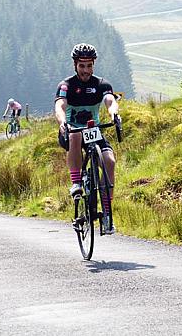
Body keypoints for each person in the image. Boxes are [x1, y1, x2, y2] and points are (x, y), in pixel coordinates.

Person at [54, 43, 121, 234]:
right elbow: (60, 106)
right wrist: (62, 122)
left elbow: (110, 101)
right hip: (71, 131)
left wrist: (114, 114)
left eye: (89, 65)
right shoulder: (66, 85)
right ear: (75, 65)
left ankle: (107, 214)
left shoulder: (102, 84)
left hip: (94, 131)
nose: (86, 70)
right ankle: (76, 182)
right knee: (76, 135)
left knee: (109, 161)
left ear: (93, 65)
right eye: (82, 66)